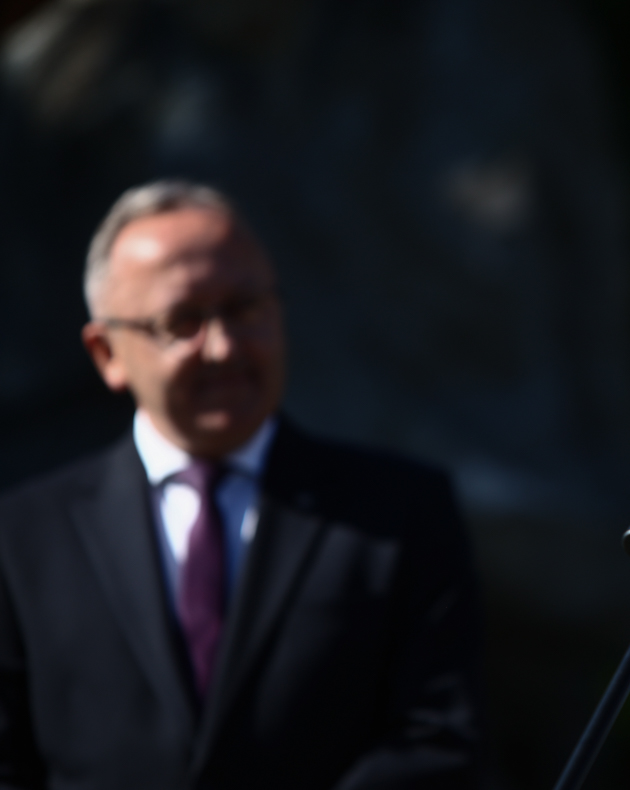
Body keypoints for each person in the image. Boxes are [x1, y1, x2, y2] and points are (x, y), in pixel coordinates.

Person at [0, 181, 483, 789]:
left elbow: (438, 740)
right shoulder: (22, 539)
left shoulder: (399, 513)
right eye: (183, 322)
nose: (223, 347)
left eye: (245, 308)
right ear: (107, 354)